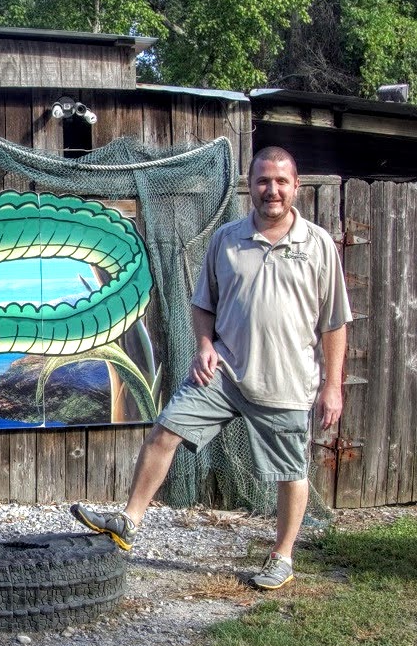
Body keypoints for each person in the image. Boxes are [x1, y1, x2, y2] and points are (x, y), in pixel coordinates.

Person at [72, 146, 351, 589]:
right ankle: (128, 521)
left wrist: (332, 386)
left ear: (296, 186)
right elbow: (204, 304)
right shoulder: (227, 239)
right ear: (250, 186)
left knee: (291, 471)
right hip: (222, 372)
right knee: (165, 430)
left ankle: (282, 556)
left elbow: (334, 323)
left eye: (281, 181)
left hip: (286, 380)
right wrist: (204, 344)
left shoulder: (317, 245)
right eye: (263, 181)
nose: (271, 190)